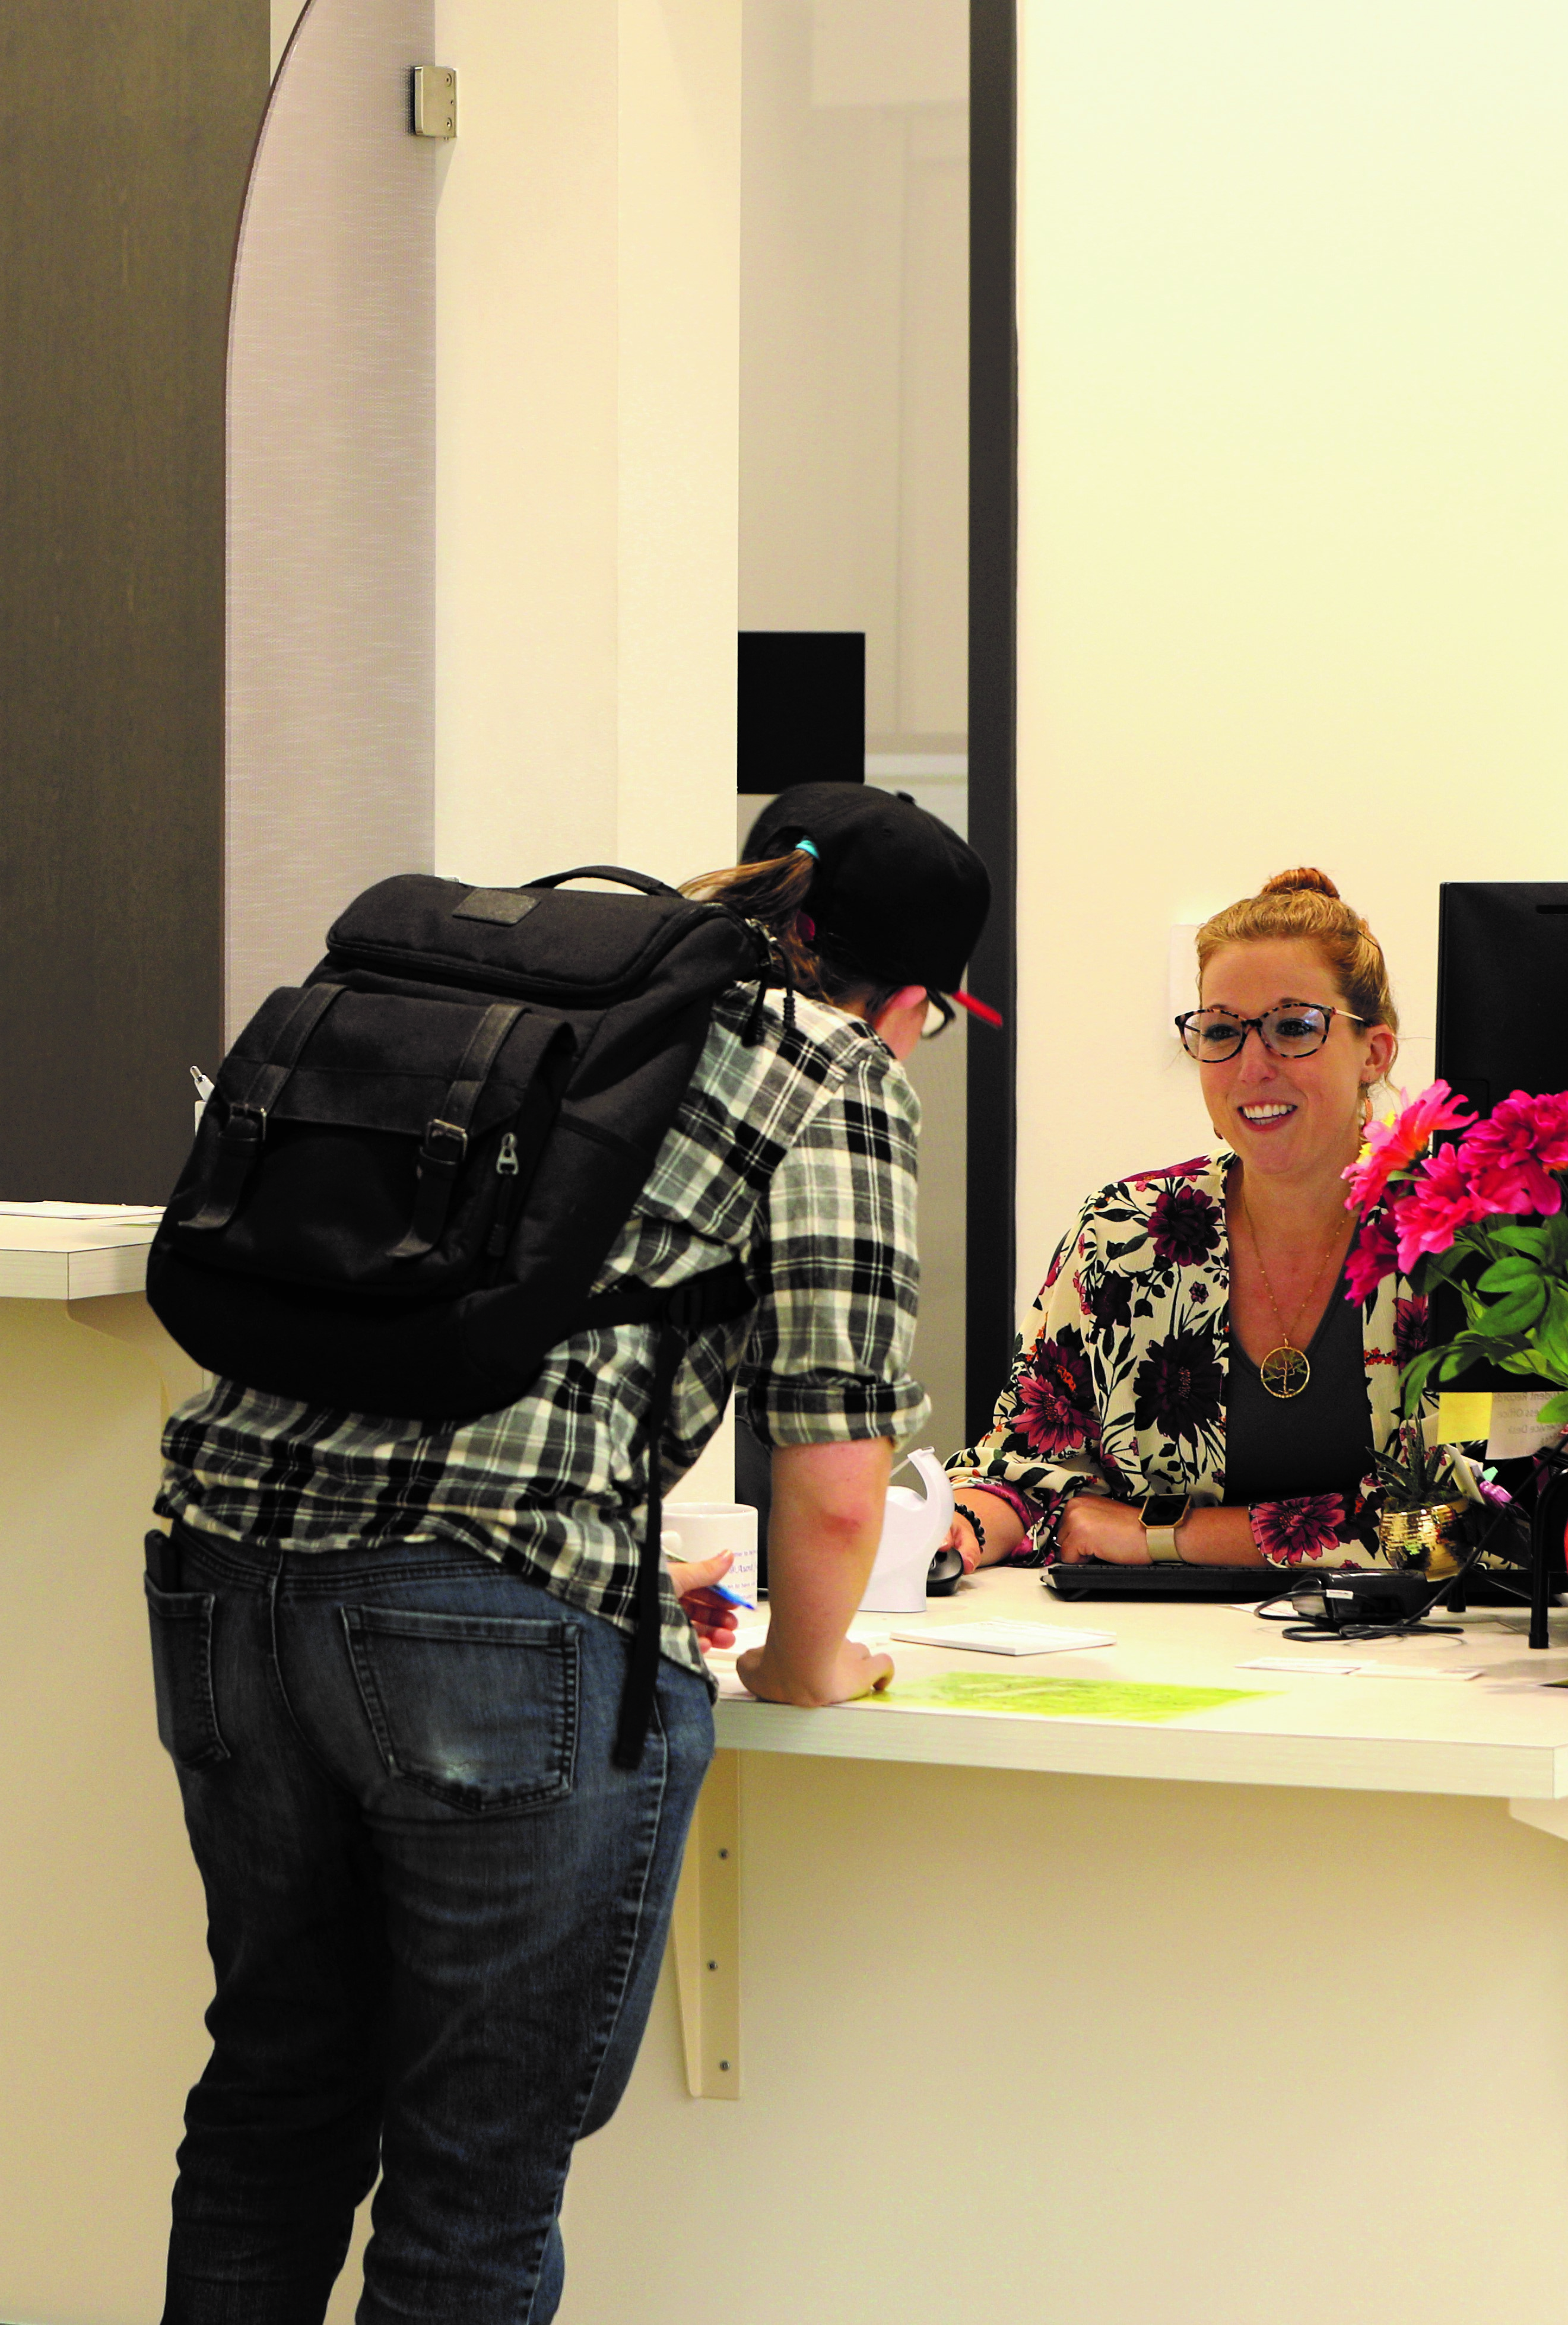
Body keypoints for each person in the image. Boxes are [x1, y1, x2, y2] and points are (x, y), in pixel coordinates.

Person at [145, 782, 987, 2321]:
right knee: (471, 2172)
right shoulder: (831, 1070)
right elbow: (834, 1474)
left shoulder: (513, 1006)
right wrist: (813, 1661)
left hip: (222, 1585)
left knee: (274, 2095)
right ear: (914, 999)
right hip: (480, 1632)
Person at [944, 867, 1434, 1572]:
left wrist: (1164, 1536)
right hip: (1160, 1654)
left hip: (1413, 1661)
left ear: (1373, 1053)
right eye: (1221, 1031)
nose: (1251, 1066)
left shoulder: (1454, 1237)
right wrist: (957, 1527)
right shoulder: (1126, 1231)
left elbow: (1476, 1514)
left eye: (1293, 1027)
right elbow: (1024, 1468)